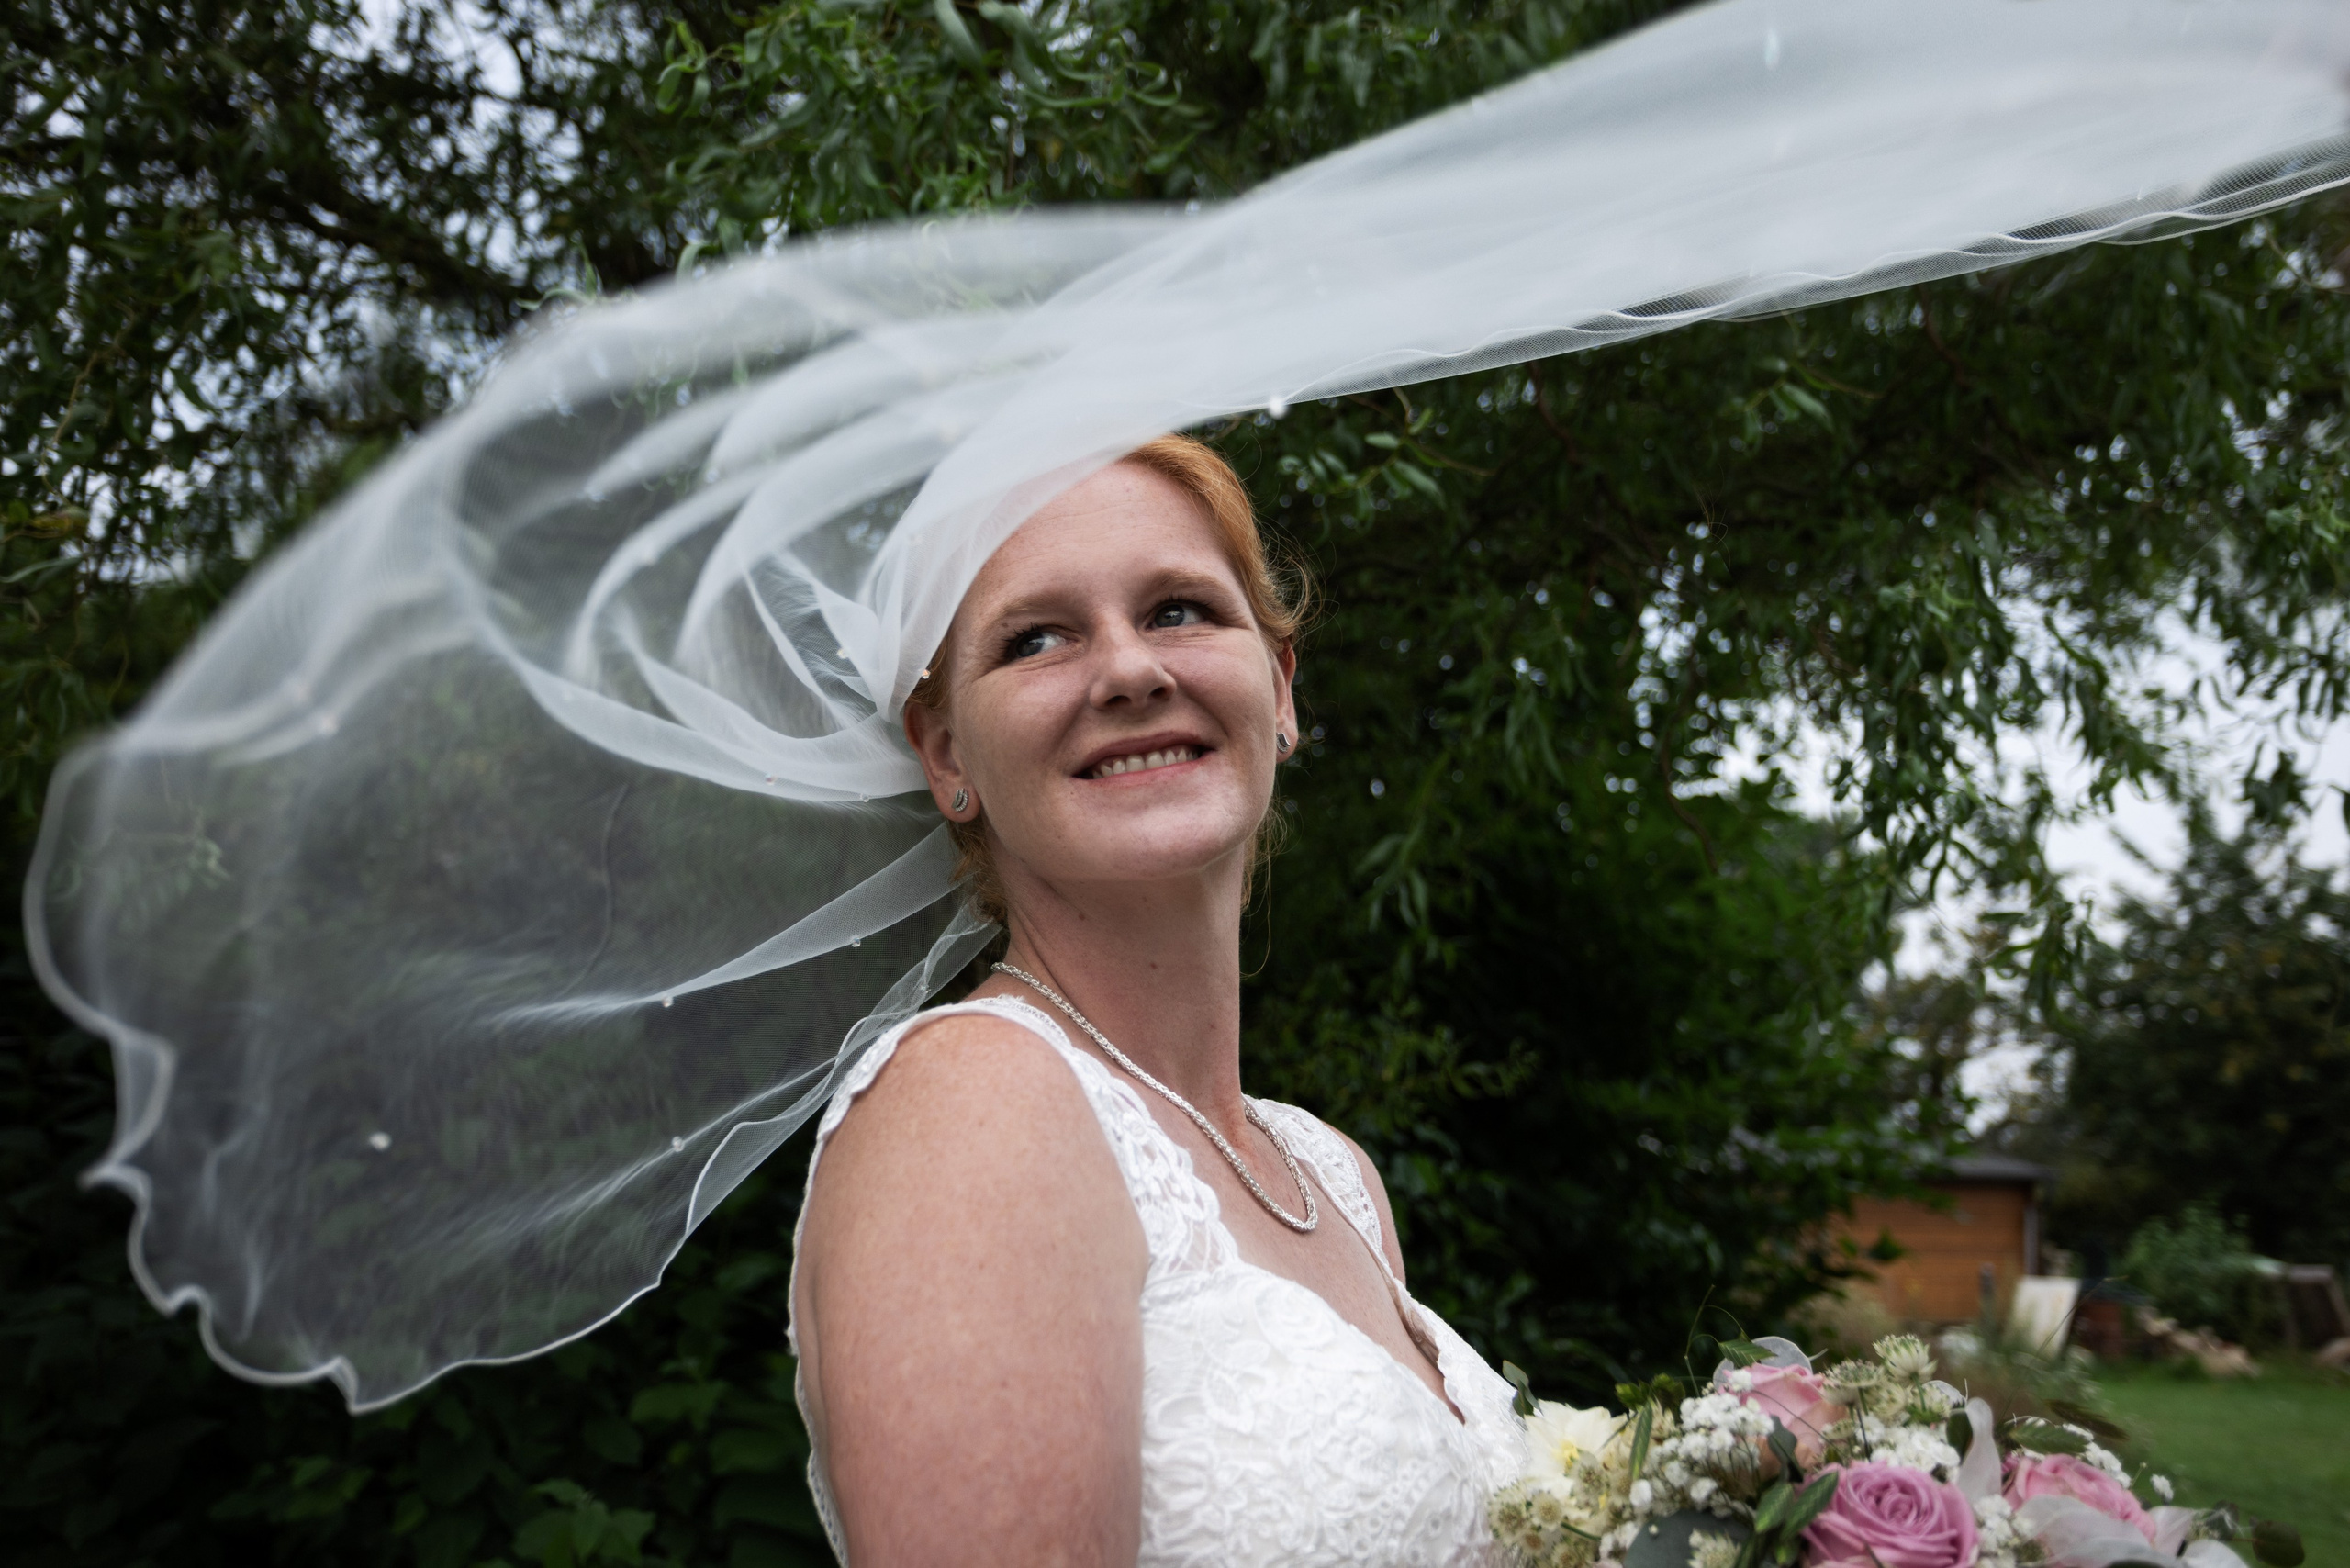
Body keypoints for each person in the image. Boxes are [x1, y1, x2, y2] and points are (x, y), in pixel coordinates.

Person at [788, 435, 1523, 1565]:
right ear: (945, 753)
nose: (1130, 670)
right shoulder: (972, 1104)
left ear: (1279, 689)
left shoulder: (1333, 1175)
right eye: (1037, 637)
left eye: (1179, 609)